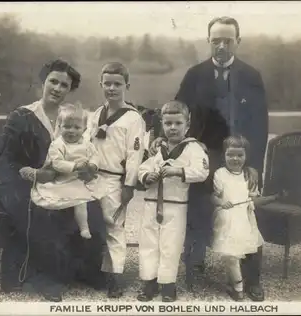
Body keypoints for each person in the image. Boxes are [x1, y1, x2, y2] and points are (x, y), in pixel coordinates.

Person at [150, 16, 269, 300]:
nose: (221, 46)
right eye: (215, 40)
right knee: (199, 210)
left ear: (237, 42)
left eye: (227, 40)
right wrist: (160, 135)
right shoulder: (195, 74)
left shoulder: (251, 77)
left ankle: (252, 279)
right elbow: (176, 109)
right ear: (208, 42)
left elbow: (261, 124)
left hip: (239, 156)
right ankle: (194, 266)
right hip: (204, 154)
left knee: (246, 212)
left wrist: (254, 165)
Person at [0, 59, 105, 302]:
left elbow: (85, 152)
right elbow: (8, 161)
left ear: (70, 90)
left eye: (64, 85)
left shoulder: (73, 118)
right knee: (47, 211)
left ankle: (83, 271)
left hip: (68, 182)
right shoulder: (23, 116)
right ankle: (48, 278)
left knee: (92, 207)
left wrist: (88, 169)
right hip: (30, 183)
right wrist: (34, 173)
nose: (57, 88)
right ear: (42, 82)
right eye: (53, 81)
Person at [136, 101, 209, 302]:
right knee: (149, 243)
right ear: (162, 124)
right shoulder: (159, 148)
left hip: (176, 205)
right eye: (168, 123)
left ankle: (168, 284)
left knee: (171, 245)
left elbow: (202, 171)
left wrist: (179, 171)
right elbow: (143, 167)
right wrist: (147, 176)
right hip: (152, 201)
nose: (173, 128)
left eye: (178, 123)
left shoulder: (193, 148)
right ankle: (148, 282)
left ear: (187, 124)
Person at [86, 62, 146, 298]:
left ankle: (115, 277)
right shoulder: (95, 114)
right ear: (101, 84)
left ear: (126, 86)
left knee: (114, 226)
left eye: (117, 84)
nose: (112, 88)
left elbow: (135, 155)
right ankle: (96, 270)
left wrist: (129, 185)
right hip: (92, 177)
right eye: (107, 83)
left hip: (114, 180)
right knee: (92, 224)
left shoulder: (133, 119)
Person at [211, 135, 279, 301]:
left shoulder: (249, 176)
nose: (235, 159)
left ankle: (238, 283)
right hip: (227, 218)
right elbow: (213, 196)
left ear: (246, 156)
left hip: (245, 219)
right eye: (230, 155)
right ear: (224, 156)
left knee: (245, 249)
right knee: (230, 254)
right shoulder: (220, 174)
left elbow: (253, 198)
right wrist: (221, 201)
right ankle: (238, 286)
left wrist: (270, 198)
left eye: (240, 155)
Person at [26, 103, 104, 239]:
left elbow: (95, 156)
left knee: (83, 201)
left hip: (79, 179)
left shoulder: (86, 144)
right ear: (59, 127)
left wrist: (92, 165)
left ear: (85, 129)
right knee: (64, 199)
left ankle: (84, 227)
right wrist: (74, 166)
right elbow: (57, 163)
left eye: (76, 127)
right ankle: (54, 232)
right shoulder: (58, 144)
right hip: (62, 178)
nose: (71, 131)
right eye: (67, 127)